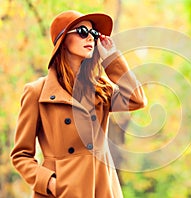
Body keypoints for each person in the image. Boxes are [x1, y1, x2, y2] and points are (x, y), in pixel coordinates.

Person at [10, 10, 147, 197]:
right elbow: (21, 155)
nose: (90, 37)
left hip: (103, 188)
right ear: (63, 39)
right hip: (62, 192)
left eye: (93, 33)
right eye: (83, 31)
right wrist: (51, 183)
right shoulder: (37, 92)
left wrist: (112, 59)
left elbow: (137, 99)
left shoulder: (100, 89)